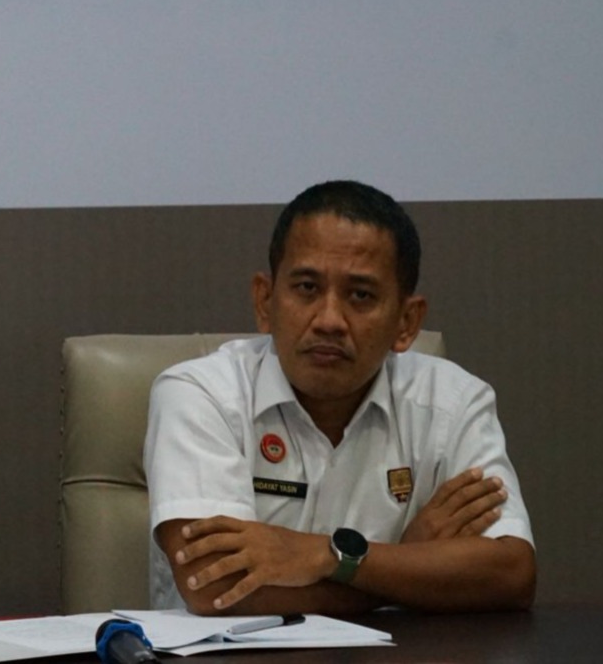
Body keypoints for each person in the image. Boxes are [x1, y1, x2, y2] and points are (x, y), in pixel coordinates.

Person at [144, 180, 535, 616]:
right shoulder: (201, 394)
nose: (329, 320)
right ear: (265, 302)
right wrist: (400, 562)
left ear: (406, 322)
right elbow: (214, 588)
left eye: (360, 295)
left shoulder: (452, 402)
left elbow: (511, 573)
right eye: (307, 288)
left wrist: (327, 556)